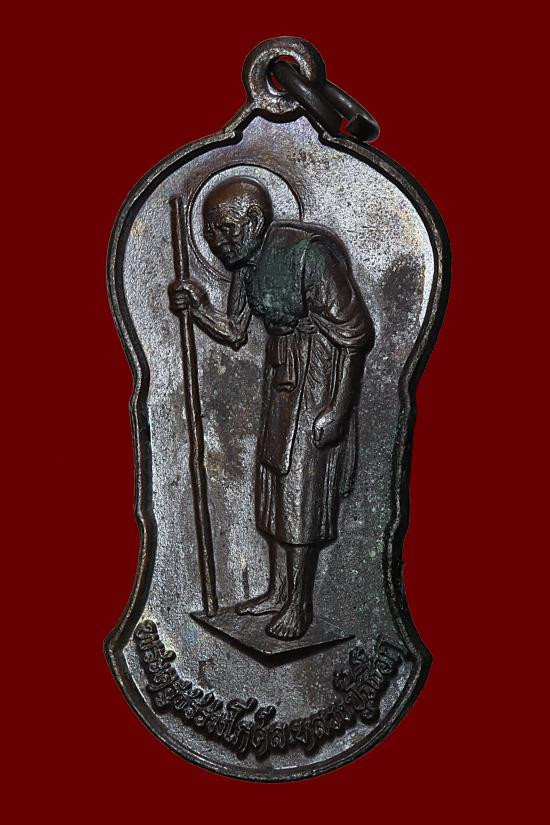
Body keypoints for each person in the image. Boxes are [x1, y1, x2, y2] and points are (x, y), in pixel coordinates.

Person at [169, 176, 374, 640]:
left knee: (301, 489)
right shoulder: (246, 265)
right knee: (274, 484)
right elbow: (234, 330)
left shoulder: (309, 255)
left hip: (318, 374)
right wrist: (196, 307)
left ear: (255, 221)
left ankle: (300, 602)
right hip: (280, 377)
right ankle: (278, 590)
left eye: (225, 230)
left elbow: (356, 335)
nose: (217, 242)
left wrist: (338, 409)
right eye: (210, 234)